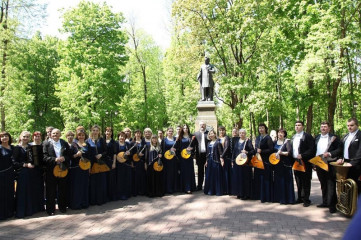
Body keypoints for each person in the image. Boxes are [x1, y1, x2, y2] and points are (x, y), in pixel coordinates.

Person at [13, 131, 44, 218]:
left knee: (31, 191)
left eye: (27, 137)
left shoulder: (30, 147)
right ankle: (22, 211)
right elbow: (14, 162)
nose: (26, 138)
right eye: (24, 136)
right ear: (20, 137)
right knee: (23, 192)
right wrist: (25, 165)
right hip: (22, 173)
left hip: (32, 173)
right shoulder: (17, 148)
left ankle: (32, 209)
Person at [313, 121, 340, 213]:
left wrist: (329, 153)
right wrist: (314, 163)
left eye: (325, 127)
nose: (323, 128)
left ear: (329, 128)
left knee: (331, 184)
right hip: (319, 163)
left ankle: (332, 205)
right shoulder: (317, 137)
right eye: (322, 127)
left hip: (330, 163)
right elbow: (314, 150)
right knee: (323, 184)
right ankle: (325, 202)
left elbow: (339, 149)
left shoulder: (334, 138)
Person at [43, 128, 70, 215]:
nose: (55, 135)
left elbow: (69, 155)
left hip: (62, 169)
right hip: (51, 170)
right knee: (51, 190)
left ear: (60, 134)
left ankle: (62, 207)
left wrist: (64, 158)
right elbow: (44, 157)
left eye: (57, 133)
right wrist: (55, 159)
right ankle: (50, 209)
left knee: (63, 189)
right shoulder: (46, 144)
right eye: (53, 133)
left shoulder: (64, 143)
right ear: (50, 134)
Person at [332, 118, 361, 194]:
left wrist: (353, 163)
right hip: (346, 164)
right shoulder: (346, 136)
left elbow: (360, 152)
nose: (349, 127)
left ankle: (356, 205)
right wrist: (341, 158)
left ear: (357, 125)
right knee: (346, 187)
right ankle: (347, 205)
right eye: (348, 126)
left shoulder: (360, 135)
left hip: (357, 165)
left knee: (356, 187)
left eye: (352, 125)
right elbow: (341, 149)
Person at [291, 121, 315, 207]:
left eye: (299, 125)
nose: (297, 127)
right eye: (296, 125)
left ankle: (306, 199)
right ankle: (300, 198)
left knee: (306, 181)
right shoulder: (293, 137)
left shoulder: (307, 136)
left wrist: (303, 155)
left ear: (303, 127)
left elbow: (312, 149)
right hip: (296, 161)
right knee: (298, 180)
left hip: (305, 162)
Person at [68, 129, 90, 210]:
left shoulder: (87, 144)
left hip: (85, 168)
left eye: (83, 135)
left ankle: (84, 203)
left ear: (85, 136)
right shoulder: (73, 145)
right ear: (77, 136)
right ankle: (76, 204)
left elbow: (89, 156)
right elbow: (70, 157)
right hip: (76, 169)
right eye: (79, 135)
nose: (81, 137)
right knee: (77, 186)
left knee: (84, 185)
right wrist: (76, 155)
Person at [272, 128, 295, 204]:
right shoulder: (275, 142)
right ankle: (279, 198)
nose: (280, 134)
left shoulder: (287, 142)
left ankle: (287, 199)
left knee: (286, 181)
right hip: (277, 164)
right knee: (278, 181)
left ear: (284, 134)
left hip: (285, 165)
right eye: (279, 133)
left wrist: (282, 153)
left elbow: (289, 152)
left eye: (281, 133)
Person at [87, 125, 108, 205]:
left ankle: (101, 200)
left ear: (99, 132)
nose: (95, 132)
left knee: (101, 182)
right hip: (92, 164)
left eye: (96, 130)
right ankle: (93, 200)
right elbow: (87, 153)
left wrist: (101, 155)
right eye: (93, 130)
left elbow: (106, 151)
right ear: (91, 131)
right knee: (93, 182)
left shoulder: (102, 140)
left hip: (101, 164)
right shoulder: (88, 141)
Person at [231, 129, 254, 200]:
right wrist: (232, 160)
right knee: (238, 178)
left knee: (245, 179)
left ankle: (245, 194)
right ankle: (239, 193)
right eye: (240, 133)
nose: (241, 134)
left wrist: (246, 152)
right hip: (237, 162)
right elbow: (234, 152)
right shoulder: (237, 141)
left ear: (245, 134)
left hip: (245, 163)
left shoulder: (248, 141)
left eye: (243, 133)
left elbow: (253, 151)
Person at [253, 123, 274, 202]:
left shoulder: (268, 138)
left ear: (265, 129)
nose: (261, 129)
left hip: (265, 161)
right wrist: (256, 150)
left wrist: (262, 151)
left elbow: (271, 149)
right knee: (258, 178)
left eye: (262, 128)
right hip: (258, 161)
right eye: (259, 128)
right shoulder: (258, 138)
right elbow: (255, 147)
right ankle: (258, 195)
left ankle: (266, 196)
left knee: (265, 178)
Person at [204, 129, 224, 196]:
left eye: (212, 133)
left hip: (216, 161)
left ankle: (217, 191)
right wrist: (206, 161)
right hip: (209, 161)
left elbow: (221, 152)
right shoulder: (208, 143)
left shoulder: (218, 142)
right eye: (210, 134)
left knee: (216, 176)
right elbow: (207, 153)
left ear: (215, 134)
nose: (211, 135)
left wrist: (221, 160)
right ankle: (210, 190)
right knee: (209, 176)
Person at [0, 131, 15, 220]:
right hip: (1, 174)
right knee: (1, 194)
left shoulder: (13, 148)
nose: (4, 138)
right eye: (2, 136)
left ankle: (10, 212)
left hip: (10, 174)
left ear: (9, 138)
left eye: (6, 136)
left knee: (10, 192)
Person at [114, 131, 132, 200]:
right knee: (120, 180)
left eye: (123, 136)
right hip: (119, 164)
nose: (122, 137)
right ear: (118, 137)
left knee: (126, 179)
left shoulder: (127, 144)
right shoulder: (116, 144)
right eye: (120, 136)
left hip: (126, 164)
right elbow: (114, 154)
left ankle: (126, 194)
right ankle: (120, 194)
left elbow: (131, 154)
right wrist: (114, 163)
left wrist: (129, 153)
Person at [178, 124, 196, 194]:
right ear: (182, 129)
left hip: (189, 157)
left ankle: (190, 187)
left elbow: (194, 146)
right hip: (182, 157)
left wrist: (191, 149)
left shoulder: (191, 137)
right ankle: (184, 187)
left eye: (187, 128)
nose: (185, 129)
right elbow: (178, 147)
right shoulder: (180, 137)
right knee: (184, 172)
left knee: (189, 172)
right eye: (184, 128)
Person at [161, 127, 179, 193]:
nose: (170, 132)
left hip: (173, 159)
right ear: (167, 132)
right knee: (168, 174)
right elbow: (162, 150)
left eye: (171, 131)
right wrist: (169, 151)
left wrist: (175, 150)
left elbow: (178, 148)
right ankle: (168, 189)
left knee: (174, 173)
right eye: (169, 131)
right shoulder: (164, 140)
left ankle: (174, 188)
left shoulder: (175, 139)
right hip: (167, 159)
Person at [129, 130, 147, 196]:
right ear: (135, 134)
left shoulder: (143, 143)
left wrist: (145, 161)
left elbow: (146, 153)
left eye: (139, 133)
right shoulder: (132, 143)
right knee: (135, 177)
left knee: (142, 177)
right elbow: (130, 154)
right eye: (137, 133)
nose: (138, 134)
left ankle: (141, 191)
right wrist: (131, 162)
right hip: (135, 162)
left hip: (141, 162)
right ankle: (135, 191)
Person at [194, 121, 208, 190]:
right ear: (199, 125)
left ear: (205, 125)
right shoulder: (196, 134)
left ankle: (207, 186)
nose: (202, 126)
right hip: (199, 155)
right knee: (200, 171)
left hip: (207, 155)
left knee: (207, 170)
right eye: (201, 125)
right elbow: (193, 145)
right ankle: (199, 186)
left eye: (203, 125)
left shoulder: (208, 133)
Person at [104, 127, 117, 201]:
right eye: (107, 131)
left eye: (110, 131)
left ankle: (111, 196)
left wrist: (114, 163)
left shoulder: (113, 142)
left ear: (111, 133)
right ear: (105, 132)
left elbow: (115, 153)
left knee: (111, 179)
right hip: (103, 162)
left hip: (111, 162)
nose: (108, 132)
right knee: (105, 179)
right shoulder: (102, 141)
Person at [218, 126, 231, 194]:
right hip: (220, 159)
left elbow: (227, 147)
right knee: (221, 174)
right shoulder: (218, 138)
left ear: (225, 131)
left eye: (223, 130)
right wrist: (220, 157)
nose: (221, 132)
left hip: (226, 158)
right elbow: (218, 148)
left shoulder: (227, 138)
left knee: (226, 174)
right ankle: (222, 189)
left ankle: (227, 190)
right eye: (220, 130)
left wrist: (222, 157)